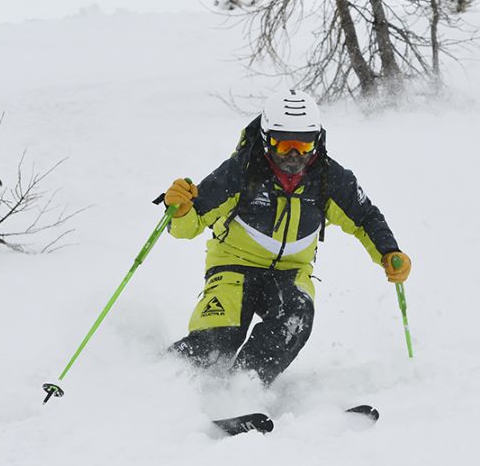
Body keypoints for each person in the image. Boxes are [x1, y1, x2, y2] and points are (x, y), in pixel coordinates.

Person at [162, 89, 410, 386]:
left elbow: (365, 218)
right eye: (284, 144)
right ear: (267, 139)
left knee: (296, 318)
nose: (294, 155)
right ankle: (163, 379)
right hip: (233, 269)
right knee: (218, 338)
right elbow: (190, 226)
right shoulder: (241, 171)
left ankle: (244, 386)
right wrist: (179, 211)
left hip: (290, 273)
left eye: (303, 145)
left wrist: (388, 251)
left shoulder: (329, 178)